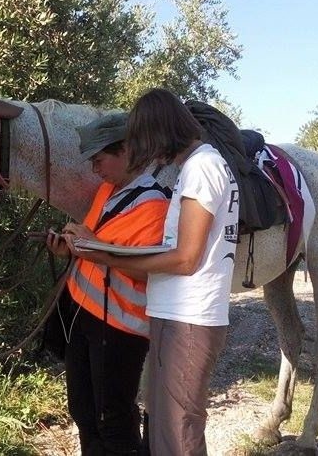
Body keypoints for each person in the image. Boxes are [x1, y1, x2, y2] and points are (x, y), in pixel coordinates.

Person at [67, 89, 240, 456]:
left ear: (160, 130)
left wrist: (107, 256)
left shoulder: (202, 168)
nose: (143, 152)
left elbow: (185, 259)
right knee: (164, 429)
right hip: (176, 314)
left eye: (143, 140)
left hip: (189, 316)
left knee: (178, 431)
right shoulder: (198, 167)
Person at [46, 112, 170, 455]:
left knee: (112, 420)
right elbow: (93, 248)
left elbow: (147, 271)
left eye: (99, 160)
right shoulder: (108, 191)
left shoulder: (155, 205)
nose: (94, 169)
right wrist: (68, 248)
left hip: (120, 330)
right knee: (84, 413)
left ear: (127, 151)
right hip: (83, 315)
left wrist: (91, 243)